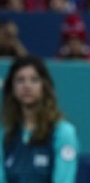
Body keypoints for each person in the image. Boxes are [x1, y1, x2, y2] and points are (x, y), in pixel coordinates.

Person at [0, 55, 79, 183]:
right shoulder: (5, 133)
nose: (27, 86)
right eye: (20, 80)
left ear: (44, 86)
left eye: (34, 80)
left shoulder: (63, 132)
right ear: (12, 88)